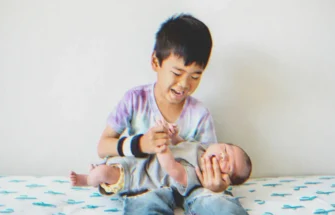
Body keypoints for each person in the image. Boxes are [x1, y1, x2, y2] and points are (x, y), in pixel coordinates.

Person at [92, 13, 233, 213]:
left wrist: (216, 183)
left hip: (191, 186)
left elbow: (209, 160)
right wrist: (141, 144)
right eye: (177, 73)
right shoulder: (135, 100)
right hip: (146, 184)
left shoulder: (200, 114)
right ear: (155, 62)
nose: (184, 84)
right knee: (144, 205)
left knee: (219, 204)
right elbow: (103, 146)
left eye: (195, 76)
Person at [70, 142, 252, 215]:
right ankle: (90, 177)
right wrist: (174, 136)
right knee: (105, 171)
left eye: (227, 164)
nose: (222, 157)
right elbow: (183, 144)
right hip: (137, 163)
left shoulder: (197, 174)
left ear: (226, 179)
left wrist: (163, 150)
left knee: (104, 174)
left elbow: (174, 171)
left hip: (144, 181)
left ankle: (89, 179)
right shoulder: (199, 146)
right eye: (226, 150)